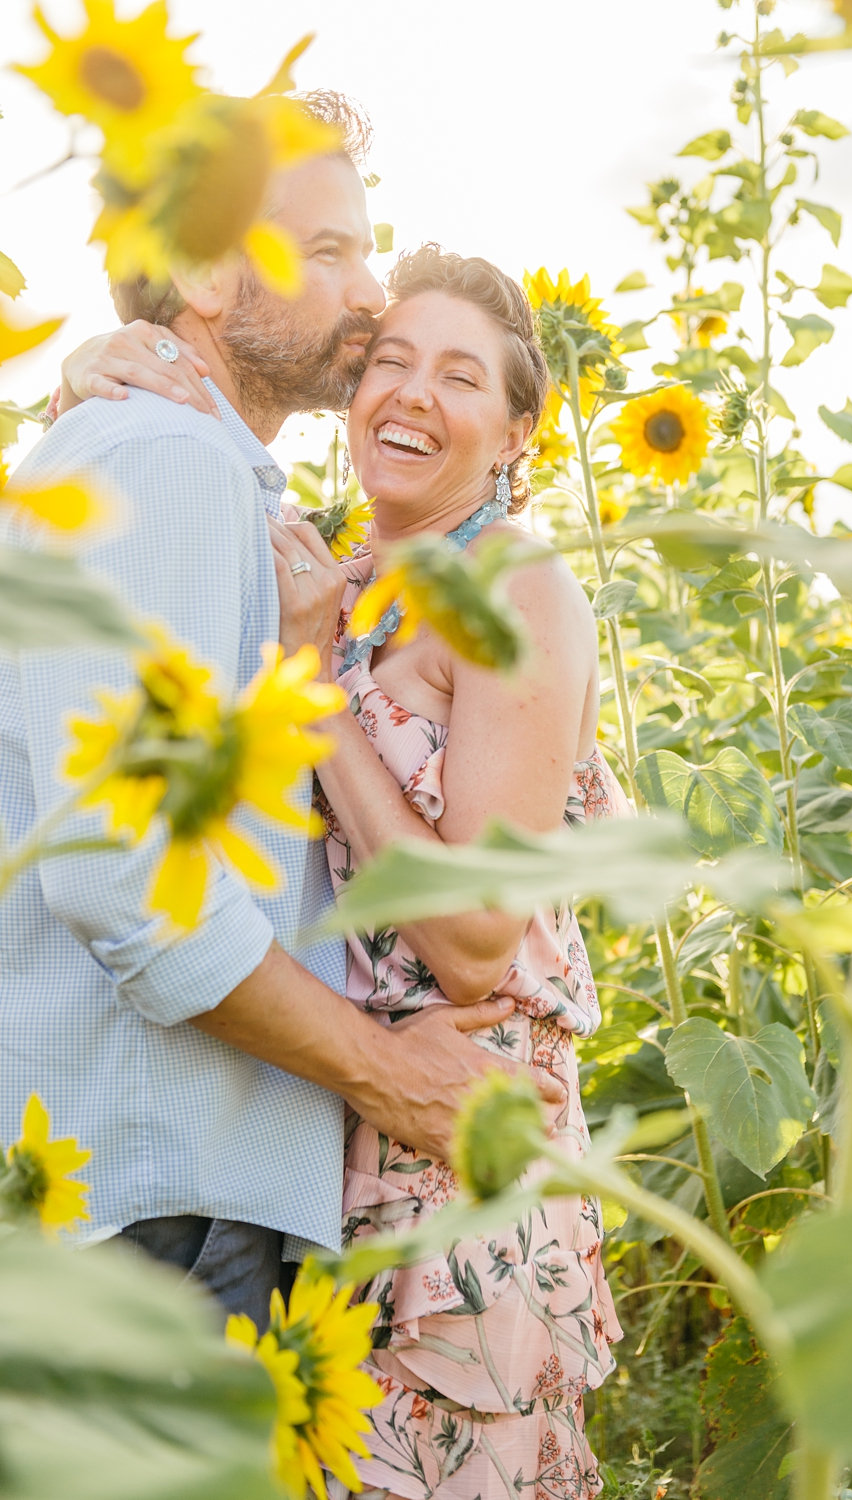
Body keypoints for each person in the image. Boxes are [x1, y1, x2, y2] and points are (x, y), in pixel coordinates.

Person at [67, 244, 627, 1498]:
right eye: (390, 361)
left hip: (457, 1150)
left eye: (460, 375)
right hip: (326, 1125)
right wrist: (103, 362)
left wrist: (317, 696)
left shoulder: (513, 590)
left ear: (515, 427)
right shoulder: (332, 568)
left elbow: (478, 936)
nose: (412, 395)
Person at [0, 92, 560, 1336]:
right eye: (328, 253)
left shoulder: (207, 477)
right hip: (153, 1196)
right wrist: (390, 1074)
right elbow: (131, 882)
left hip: (167, 1187)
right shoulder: (164, 465)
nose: (368, 294)